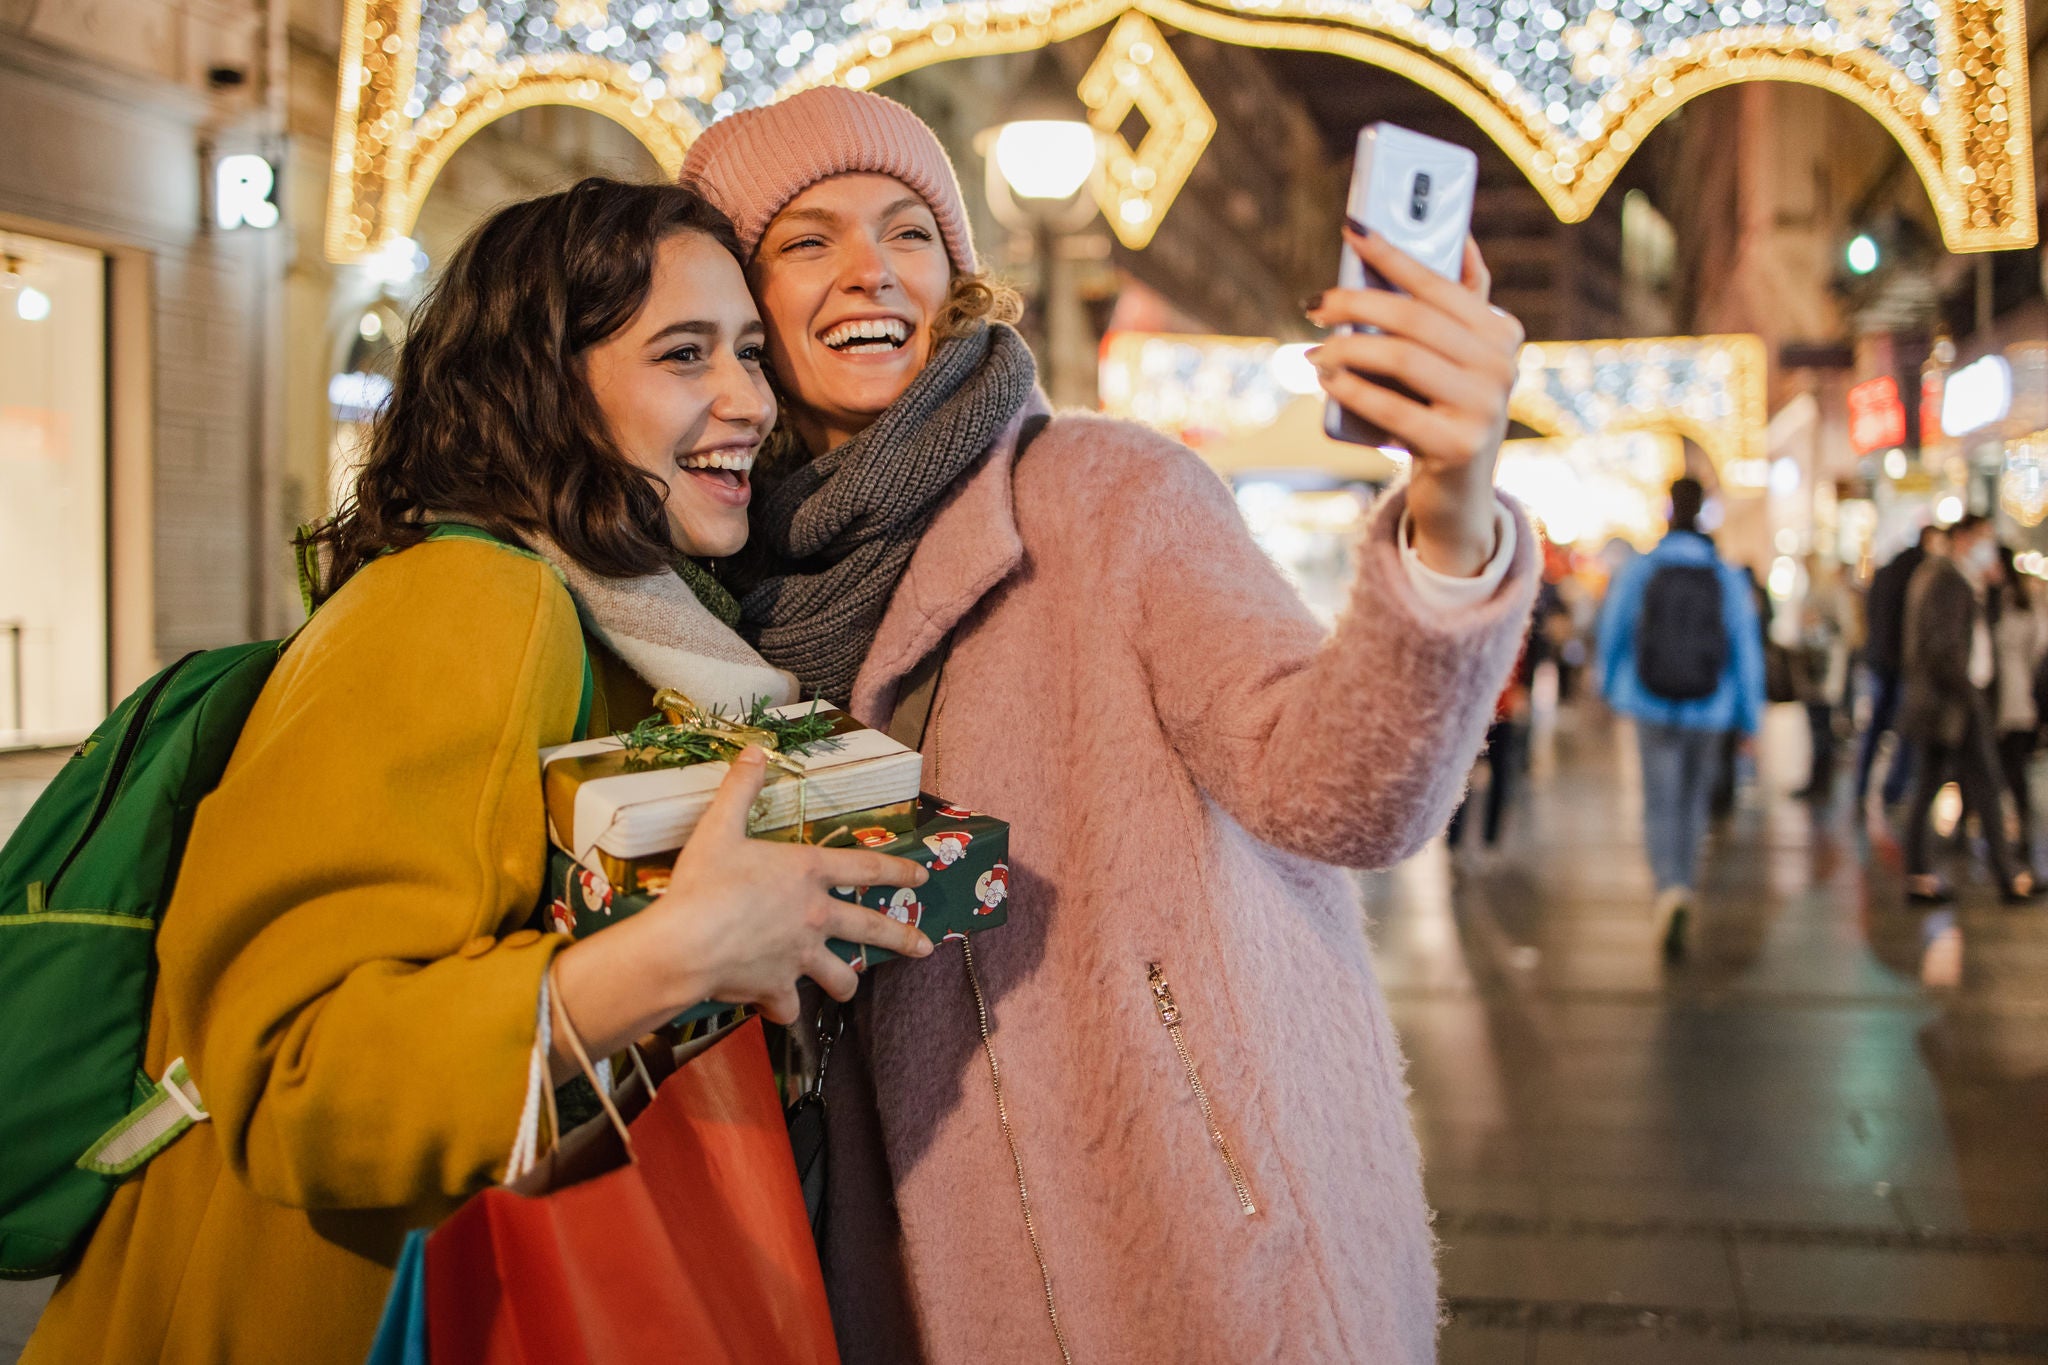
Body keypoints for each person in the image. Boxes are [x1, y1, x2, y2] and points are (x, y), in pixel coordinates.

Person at [682, 88, 1535, 1364]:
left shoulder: (1103, 492)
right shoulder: (723, 591)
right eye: (805, 240)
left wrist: (1453, 501)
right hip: (904, 1277)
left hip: (1195, 1261)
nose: (871, 269)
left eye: (909, 230)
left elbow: (1339, 793)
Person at [23, 180, 935, 1365]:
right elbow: (297, 1072)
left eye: (750, 353)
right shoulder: (471, 601)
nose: (746, 401)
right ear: (546, 386)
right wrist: (675, 955)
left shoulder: (620, 613)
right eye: (682, 354)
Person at [1595, 477, 1765, 958]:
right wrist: (1750, 719)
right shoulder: (1726, 574)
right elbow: (1746, 649)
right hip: (1710, 707)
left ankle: (1666, 888)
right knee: (1693, 803)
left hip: (1648, 701)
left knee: (1659, 800)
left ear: (1667, 510)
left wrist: (1608, 687)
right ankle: (1686, 885)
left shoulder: (1642, 569)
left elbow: (1614, 628)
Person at [1900, 514, 2033, 904]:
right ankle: (2005, 875)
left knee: (1951, 786)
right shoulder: (1946, 580)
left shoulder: (1955, 580)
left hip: (1951, 700)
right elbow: (1942, 648)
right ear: (1963, 539)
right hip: (1952, 701)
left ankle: (1999, 873)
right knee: (1979, 785)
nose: (1988, 549)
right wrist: (1969, 693)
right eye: (1983, 540)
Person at [1857, 526, 1944, 810]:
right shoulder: (1921, 575)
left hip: (1881, 660)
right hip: (1902, 663)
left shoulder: (1887, 571)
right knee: (1905, 729)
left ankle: (1862, 785)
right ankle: (1894, 789)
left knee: (1876, 727)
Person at [1993, 545, 2045, 875]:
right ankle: (2015, 836)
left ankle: (2014, 838)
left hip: (2010, 700)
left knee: (2005, 771)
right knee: (2010, 773)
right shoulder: (2025, 604)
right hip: (2020, 698)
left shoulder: (2004, 604)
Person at [1793, 554, 1855, 801]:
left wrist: (1818, 625)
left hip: (1825, 671)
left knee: (1823, 729)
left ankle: (1822, 784)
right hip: (1813, 670)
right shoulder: (1814, 590)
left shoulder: (1829, 592)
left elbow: (1845, 629)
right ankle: (1816, 781)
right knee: (1816, 727)